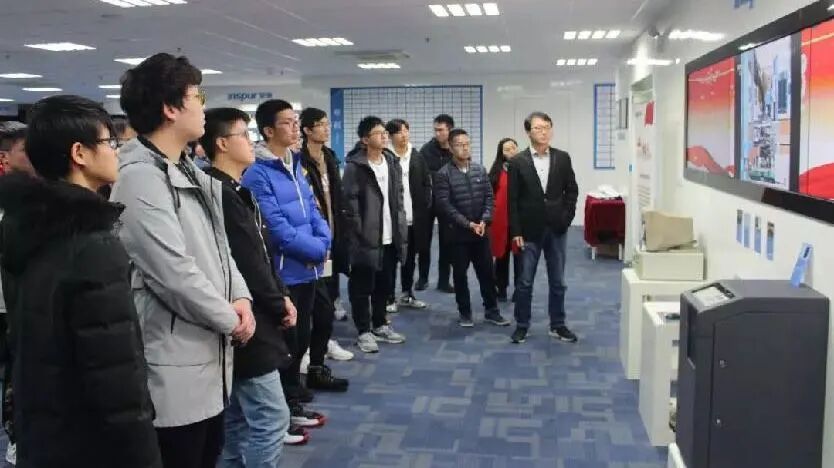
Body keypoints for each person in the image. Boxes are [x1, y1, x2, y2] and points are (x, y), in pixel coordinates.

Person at [0, 95, 161, 467]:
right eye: (108, 142)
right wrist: (143, 454)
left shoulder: (25, 227)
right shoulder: (92, 244)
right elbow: (115, 372)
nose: (116, 151)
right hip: (90, 440)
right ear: (80, 153)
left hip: (44, 426)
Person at [111, 53, 255, 468]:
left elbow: (220, 247)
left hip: (209, 353)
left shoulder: (189, 169)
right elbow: (172, 274)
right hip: (175, 362)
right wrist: (231, 320)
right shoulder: (139, 177)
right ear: (170, 109)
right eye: (198, 97)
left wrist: (241, 298)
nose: (203, 107)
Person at [200, 108, 296, 466]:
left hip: (256, 312)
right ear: (222, 143)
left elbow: (262, 252)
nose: (251, 142)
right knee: (272, 419)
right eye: (244, 135)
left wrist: (282, 294)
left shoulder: (237, 189)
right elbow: (247, 262)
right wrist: (278, 302)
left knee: (238, 419)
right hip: (246, 319)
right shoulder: (220, 193)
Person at [241, 99, 329, 430]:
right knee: (286, 343)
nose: (295, 128)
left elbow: (314, 210)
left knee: (302, 336)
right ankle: (283, 411)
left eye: (296, 121)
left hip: (309, 268)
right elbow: (275, 227)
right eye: (287, 123)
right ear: (267, 131)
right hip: (285, 271)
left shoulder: (295, 164)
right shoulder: (258, 173)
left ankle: (292, 399)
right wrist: (316, 249)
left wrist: (324, 242)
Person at [508, 111, 579, 344]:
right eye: (538, 128)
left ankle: (558, 325)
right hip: (529, 231)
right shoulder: (518, 161)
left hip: (557, 229)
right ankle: (522, 325)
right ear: (528, 132)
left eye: (547, 127)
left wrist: (566, 218)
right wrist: (516, 232)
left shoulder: (562, 158)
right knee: (525, 282)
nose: (543, 132)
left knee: (558, 281)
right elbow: (512, 200)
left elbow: (572, 190)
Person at [342, 116, 408, 353]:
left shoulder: (391, 161)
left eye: (384, 133)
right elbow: (349, 206)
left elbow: (398, 198)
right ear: (365, 139)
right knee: (362, 287)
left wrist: (400, 229)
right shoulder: (355, 167)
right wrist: (359, 234)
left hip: (390, 236)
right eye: (378, 133)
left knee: (384, 285)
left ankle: (380, 324)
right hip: (365, 239)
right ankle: (363, 331)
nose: (384, 136)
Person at [297, 107, 353, 387]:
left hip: (333, 235)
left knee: (329, 298)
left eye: (327, 123)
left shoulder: (329, 156)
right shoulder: (299, 160)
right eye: (320, 124)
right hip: (312, 241)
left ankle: (325, 343)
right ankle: (306, 350)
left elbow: (337, 198)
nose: (326, 128)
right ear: (307, 130)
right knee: (311, 301)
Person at [435, 128, 510, 328]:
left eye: (467, 144)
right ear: (451, 148)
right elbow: (445, 206)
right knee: (460, 275)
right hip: (457, 235)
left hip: (481, 233)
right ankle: (465, 312)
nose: (465, 148)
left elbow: (489, 198)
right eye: (460, 144)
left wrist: (484, 220)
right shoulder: (443, 174)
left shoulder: (479, 170)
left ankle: (492, 311)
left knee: (487, 274)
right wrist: (468, 224)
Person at [0, 121, 30, 466]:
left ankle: (18, 436)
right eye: (24, 150)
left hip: (20, 305)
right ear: (5, 157)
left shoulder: (41, 198)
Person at [386, 118, 430, 310]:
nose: (404, 135)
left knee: (410, 259)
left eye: (406, 130)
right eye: (399, 132)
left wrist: (426, 204)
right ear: (390, 136)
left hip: (414, 218)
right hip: (392, 220)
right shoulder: (386, 157)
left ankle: (407, 294)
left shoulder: (417, 156)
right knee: (390, 260)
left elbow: (426, 183)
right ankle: (389, 297)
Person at [418, 114, 455, 293]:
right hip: (428, 202)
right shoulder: (426, 150)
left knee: (447, 243)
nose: (437, 133)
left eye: (441, 130)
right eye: (435, 130)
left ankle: (444, 281)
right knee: (424, 242)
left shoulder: (456, 149)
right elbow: (421, 174)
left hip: (448, 202)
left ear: (450, 130)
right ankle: (423, 278)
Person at [488, 138, 521, 302]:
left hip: (519, 222)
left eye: (513, 148)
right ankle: (501, 288)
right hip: (500, 221)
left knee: (520, 258)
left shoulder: (525, 169)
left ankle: (520, 290)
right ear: (501, 153)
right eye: (506, 149)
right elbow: (488, 195)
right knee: (501, 257)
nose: (510, 152)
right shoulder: (496, 171)